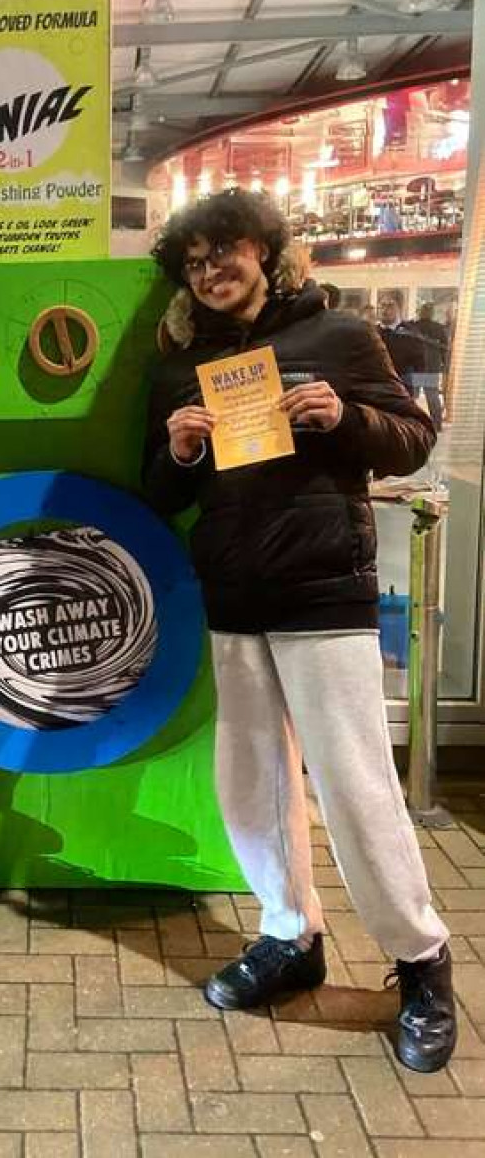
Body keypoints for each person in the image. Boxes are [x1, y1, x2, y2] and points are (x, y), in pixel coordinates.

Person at [143, 190, 455, 1074]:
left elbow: (411, 441)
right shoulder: (179, 364)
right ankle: (291, 934)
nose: (211, 272)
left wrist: (343, 417)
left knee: (356, 786)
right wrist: (179, 449)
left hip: (323, 590)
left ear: (266, 251)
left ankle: (423, 961)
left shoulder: (339, 337)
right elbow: (158, 492)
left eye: (225, 252)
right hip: (234, 594)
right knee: (251, 784)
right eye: (195, 262)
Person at [408, 302, 449, 431]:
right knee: (432, 397)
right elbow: (445, 348)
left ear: (420, 312)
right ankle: (437, 425)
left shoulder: (412, 326)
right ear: (432, 313)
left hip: (415, 367)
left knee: (411, 397)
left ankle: (411, 424)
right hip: (431, 367)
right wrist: (444, 364)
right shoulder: (438, 328)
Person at [377, 291, 426, 399]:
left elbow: (420, 364)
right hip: (378, 388)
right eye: (382, 306)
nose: (384, 310)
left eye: (390, 305)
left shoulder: (410, 333)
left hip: (403, 389)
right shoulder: (372, 332)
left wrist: (416, 388)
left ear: (399, 308)